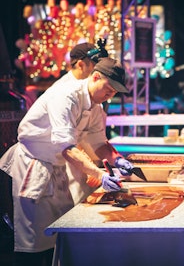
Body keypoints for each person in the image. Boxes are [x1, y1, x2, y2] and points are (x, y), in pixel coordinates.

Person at [0, 57, 136, 266]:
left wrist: (117, 160)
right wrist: (99, 175)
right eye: (109, 88)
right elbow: (67, 148)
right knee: (33, 240)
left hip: (57, 168)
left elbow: (99, 142)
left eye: (116, 91)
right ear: (96, 77)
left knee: (62, 231)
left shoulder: (97, 108)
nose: (112, 94)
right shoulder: (66, 96)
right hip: (34, 165)